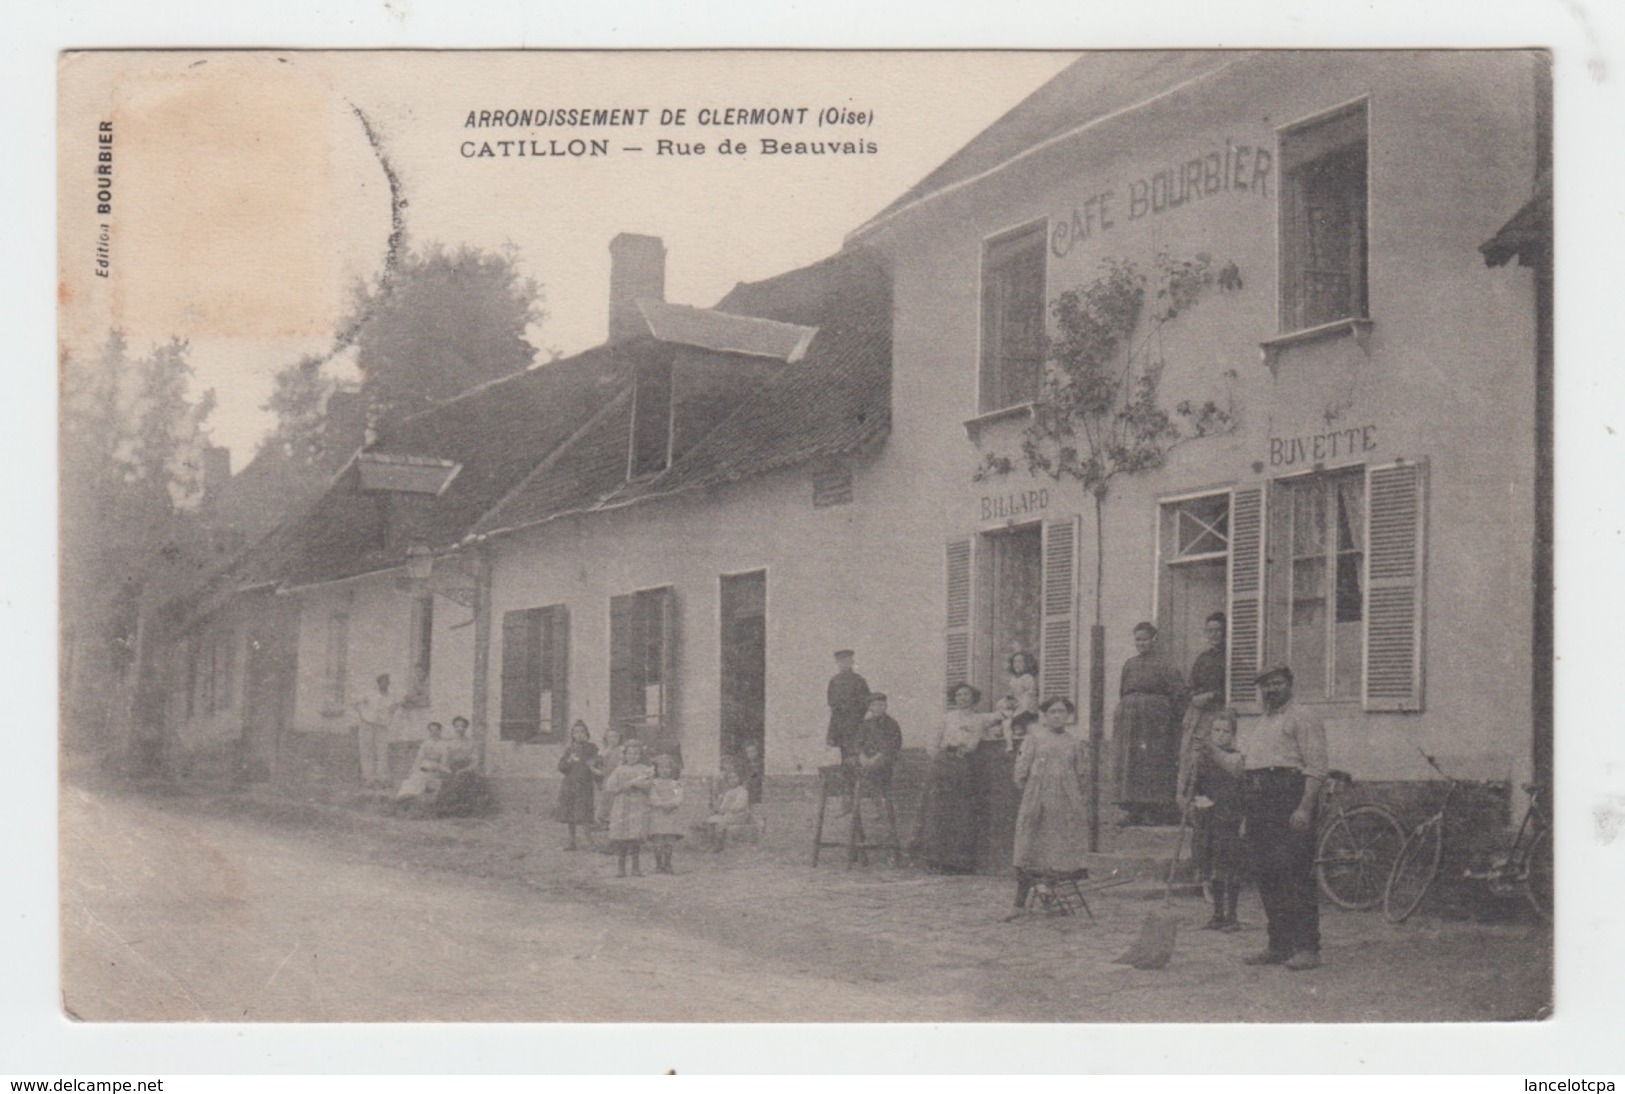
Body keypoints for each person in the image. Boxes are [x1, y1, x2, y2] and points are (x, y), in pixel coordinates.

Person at [1202, 661, 1328, 971]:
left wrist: (1304, 808)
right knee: (1267, 875)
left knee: (1294, 874)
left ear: (1290, 684)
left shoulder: (1304, 717)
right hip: (1260, 803)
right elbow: (1242, 768)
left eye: (1276, 683)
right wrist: (1210, 751)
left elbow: (1316, 768)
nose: (1271, 690)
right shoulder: (1261, 724)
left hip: (1289, 799)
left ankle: (1307, 948)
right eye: (1265, 685)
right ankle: (1278, 945)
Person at [1009, 697, 1092, 915]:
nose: (1057, 716)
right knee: (1030, 847)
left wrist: (1074, 798)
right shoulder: (1034, 739)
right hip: (1037, 800)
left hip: (1064, 802)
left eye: (1062, 712)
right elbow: (1021, 772)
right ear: (1045, 716)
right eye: (1052, 712)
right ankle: (1018, 905)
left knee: (1057, 848)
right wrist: (1033, 794)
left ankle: (1052, 900)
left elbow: (1082, 775)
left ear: (1068, 716)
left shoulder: (1074, 743)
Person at [915, 684, 1003, 873]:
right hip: (946, 765)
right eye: (959, 695)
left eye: (967, 694)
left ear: (974, 698)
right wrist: (941, 763)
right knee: (941, 811)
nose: (962, 698)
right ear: (953, 698)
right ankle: (938, 860)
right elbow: (932, 744)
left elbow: (1004, 714)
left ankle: (960, 862)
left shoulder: (980, 719)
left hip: (967, 765)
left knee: (964, 812)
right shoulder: (946, 718)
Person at [1111, 622, 1186, 825]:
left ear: (1154, 640)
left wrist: (1172, 718)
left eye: (1144, 639)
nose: (1141, 643)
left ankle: (1154, 808)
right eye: (1137, 640)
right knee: (1131, 762)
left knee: (1152, 762)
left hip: (1154, 721)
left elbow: (1178, 694)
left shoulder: (1165, 665)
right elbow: (1123, 691)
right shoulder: (1130, 664)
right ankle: (1132, 808)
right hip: (1130, 720)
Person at [1180, 709, 1246, 931]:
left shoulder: (1237, 758)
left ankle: (1233, 916)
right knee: (1212, 867)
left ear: (1233, 734)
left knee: (1230, 867)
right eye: (1216, 730)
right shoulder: (1204, 759)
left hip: (1230, 818)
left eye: (1226, 731)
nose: (1220, 735)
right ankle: (1217, 913)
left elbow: (1242, 789)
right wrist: (1194, 798)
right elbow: (1196, 786)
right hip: (1208, 819)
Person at [603, 738, 655, 877]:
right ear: (625, 755)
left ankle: (635, 867)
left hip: (638, 805)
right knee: (622, 837)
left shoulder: (645, 770)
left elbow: (650, 785)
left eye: (637, 754)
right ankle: (621, 868)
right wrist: (622, 787)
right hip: (622, 805)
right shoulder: (619, 769)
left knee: (635, 836)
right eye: (630, 754)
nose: (633, 757)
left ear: (641, 755)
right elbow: (610, 786)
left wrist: (637, 785)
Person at [554, 720, 599, 850]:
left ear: (587, 734)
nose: (579, 735)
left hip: (584, 786)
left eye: (581, 732)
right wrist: (569, 760)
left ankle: (590, 843)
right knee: (569, 814)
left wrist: (585, 760)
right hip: (569, 785)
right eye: (576, 732)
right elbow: (561, 767)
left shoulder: (592, 748)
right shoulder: (570, 749)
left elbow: (594, 763)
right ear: (572, 734)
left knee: (584, 815)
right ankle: (572, 842)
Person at [435, 716, 491, 817]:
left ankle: (465, 810)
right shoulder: (449, 742)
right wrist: (445, 768)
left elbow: (475, 760)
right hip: (452, 768)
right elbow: (445, 758)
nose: (460, 728)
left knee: (465, 779)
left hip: (467, 769)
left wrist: (467, 769)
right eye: (457, 726)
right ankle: (448, 810)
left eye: (462, 726)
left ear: (466, 728)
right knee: (447, 782)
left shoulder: (471, 742)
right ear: (454, 727)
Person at [353, 673, 399, 788]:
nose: (385, 684)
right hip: (367, 724)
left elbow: (393, 710)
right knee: (367, 750)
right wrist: (364, 716)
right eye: (383, 682)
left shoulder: (391, 697)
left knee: (382, 751)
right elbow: (356, 704)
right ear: (378, 683)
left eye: (387, 682)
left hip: (381, 726)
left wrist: (388, 720)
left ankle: (382, 778)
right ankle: (368, 777)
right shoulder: (370, 694)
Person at [851, 691, 903, 792]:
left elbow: (893, 745)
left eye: (881, 705)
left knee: (878, 769)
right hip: (867, 757)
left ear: (885, 706)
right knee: (849, 765)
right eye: (874, 705)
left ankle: (879, 795)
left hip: (884, 757)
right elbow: (858, 742)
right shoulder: (865, 724)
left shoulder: (891, 724)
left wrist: (877, 757)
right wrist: (862, 756)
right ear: (870, 708)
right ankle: (854, 798)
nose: (878, 708)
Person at [826, 649, 871, 764]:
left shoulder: (859, 680)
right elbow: (831, 702)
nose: (844, 664)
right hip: (839, 723)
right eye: (841, 661)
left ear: (852, 662)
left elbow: (866, 701)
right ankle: (847, 780)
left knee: (856, 752)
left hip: (855, 723)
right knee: (843, 754)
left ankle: (858, 779)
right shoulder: (834, 681)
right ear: (837, 663)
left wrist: (855, 715)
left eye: (847, 661)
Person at [394, 721, 450, 812]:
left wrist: (437, 768)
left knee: (421, 778)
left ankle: (412, 798)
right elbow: (419, 759)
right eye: (431, 730)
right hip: (423, 768)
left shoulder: (444, 745)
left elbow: (444, 762)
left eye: (436, 730)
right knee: (410, 780)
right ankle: (403, 799)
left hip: (435, 770)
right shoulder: (425, 743)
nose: (433, 733)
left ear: (440, 731)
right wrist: (413, 769)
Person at [646, 754, 685, 874]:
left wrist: (672, 804)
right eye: (661, 768)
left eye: (668, 768)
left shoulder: (675, 784)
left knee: (669, 840)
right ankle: (658, 865)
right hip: (658, 814)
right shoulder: (654, 783)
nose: (665, 771)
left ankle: (667, 864)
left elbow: (679, 797)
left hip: (671, 814)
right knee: (658, 840)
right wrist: (661, 804)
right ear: (656, 769)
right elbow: (652, 797)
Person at [705, 768, 753, 851]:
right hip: (728, 814)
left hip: (739, 815)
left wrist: (726, 809)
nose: (732, 780)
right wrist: (720, 806)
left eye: (734, 777)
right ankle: (710, 843)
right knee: (710, 820)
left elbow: (739, 806)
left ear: (739, 778)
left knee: (720, 822)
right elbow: (722, 807)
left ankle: (718, 845)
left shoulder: (742, 791)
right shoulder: (728, 792)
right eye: (730, 778)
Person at [1002, 651, 1041, 745]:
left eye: (1020, 662)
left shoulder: (1028, 677)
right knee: (1003, 705)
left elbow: (1031, 691)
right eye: (1015, 662)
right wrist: (1010, 698)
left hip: (1025, 701)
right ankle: (1011, 725)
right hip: (1016, 701)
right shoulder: (1013, 679)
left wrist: (1022, 698)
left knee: (1026, 701)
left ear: (1027, 664)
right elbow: (1012, 692)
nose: (1017, 665)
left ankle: (1018, 725)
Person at [590, 727, 625, 828]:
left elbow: (619, 765)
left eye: (615, 736)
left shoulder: (621, 750)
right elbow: (600, 765)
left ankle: (614, 821)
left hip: (618, 777)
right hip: (606, 777)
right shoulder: (603, 751)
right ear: (606, 738)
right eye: (610, 736)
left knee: (616, 799)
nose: (613, 739)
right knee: (605, 799)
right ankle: (604, 820)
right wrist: (593, 768)